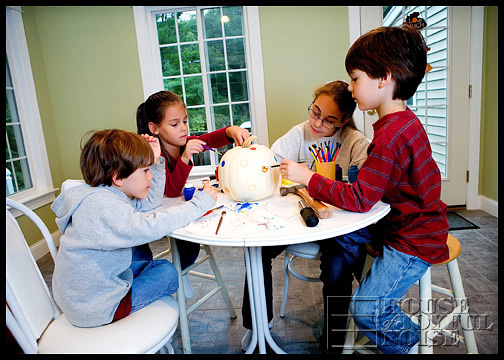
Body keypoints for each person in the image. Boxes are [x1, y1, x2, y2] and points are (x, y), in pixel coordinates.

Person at [280, 25, 449, 354]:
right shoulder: (401, 122)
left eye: (356, 78)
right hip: (402, 224)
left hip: (414, 238)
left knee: (367, 309)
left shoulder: (390, 137)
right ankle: (341, 324)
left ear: (383, 78)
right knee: (342, 240)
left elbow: (360, 199)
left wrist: (307, 177)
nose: (351, 87)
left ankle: (412, 343)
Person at [240, 80, 370, 352]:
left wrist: (310, 176)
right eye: (315, 112)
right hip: (300, 218)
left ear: (344, 120)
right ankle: (259, 325)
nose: (317, 123)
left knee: (337, 269)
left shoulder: (356, 142)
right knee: (258, 249)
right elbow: (269, 161)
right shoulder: (300, 133)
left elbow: (364, 191)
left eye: (328, 120)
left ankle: (332, 343)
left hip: (339, 225)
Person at [51, 129, 217, 328]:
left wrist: (155, 161)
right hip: (98, 306)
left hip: (87, 294)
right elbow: (150, 226)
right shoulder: (102, 207)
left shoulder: (101, 194)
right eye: (146, 171)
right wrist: (199, 204)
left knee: (147, 260)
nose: (151, 177)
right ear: (118, 177)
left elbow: (149, 204)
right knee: (167, 272)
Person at [136, 90, 250, 298]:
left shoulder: (180, 142)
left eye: (185, 122)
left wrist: (230, 131)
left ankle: (180, 270)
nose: (183, 129)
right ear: (154, 128)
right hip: (148, 216)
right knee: (185, 242)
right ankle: (176, 275)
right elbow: (170, 190)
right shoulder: (151, 152)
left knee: (189, 242)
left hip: (169, 210)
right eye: (174, 124)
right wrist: (186, 157)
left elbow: (208, 140)